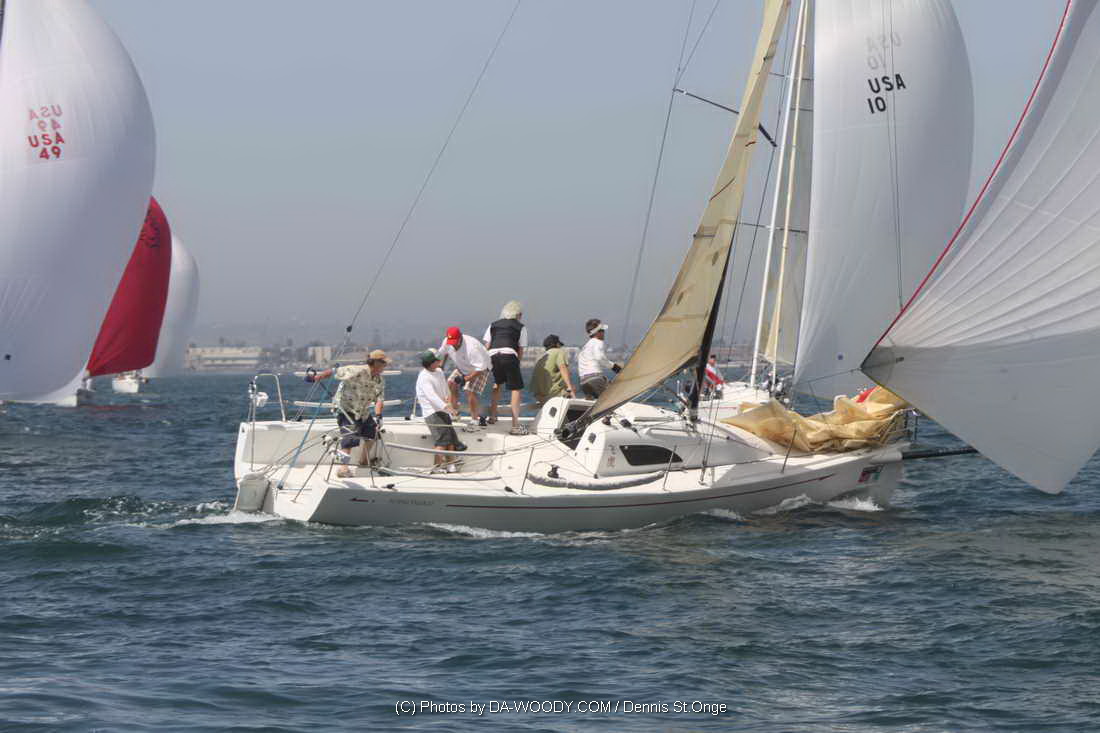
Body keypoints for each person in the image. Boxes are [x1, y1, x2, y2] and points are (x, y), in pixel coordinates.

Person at [307, 349, 389, 478]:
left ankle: (364, 461)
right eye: (384, 363)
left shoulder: (380, 380)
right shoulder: (356, 370)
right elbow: (335, 371)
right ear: (376, 363)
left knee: (373, 433)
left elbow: (379, 400)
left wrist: (379, 416)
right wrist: (318, 377)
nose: (385, 366)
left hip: (362, 411)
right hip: (345, 408)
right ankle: (343, 468)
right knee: (350, 436)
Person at [482, 300, 529, 435]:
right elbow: (520, 349)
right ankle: (515, 425)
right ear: (517, 314)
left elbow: (486, 346)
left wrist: (485, 363)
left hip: (493, 355)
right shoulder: (521, 327)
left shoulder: (493, 325)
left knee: (497, 383)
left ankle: (492, 416)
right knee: (516, 388)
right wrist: (516, 364)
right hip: (509, 354)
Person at [415, 349, 465, 472]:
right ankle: (436, 467)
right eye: (437, 360)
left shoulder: (439, 372)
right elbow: (431, 397)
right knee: (442, 440)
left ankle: (450, 464)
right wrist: (448, 408)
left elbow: (444, 389)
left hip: (443, 410)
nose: (440, 361)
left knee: (450, 438)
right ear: (431, 363)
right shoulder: (424, 377)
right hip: (432, 413)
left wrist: (448, 401)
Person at [437, 326, 491, 427]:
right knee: (450, 383)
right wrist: (441, 365)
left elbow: (481, 368)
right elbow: (443, 353)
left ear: (460, 338)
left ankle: (474, 419)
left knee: (469, 390)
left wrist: (465, 379)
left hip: (480, 369)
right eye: (451, 342)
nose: (453, 345)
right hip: (462, 367)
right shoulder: (447, 342)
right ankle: (454, 414)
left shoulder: (472, 347)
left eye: (455, 342)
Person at [577, 319, 621, 399]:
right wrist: (615, 367)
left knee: (596, 403)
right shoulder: (598, 342)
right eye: (602, 330)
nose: (604, 333)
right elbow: (599, 357)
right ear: (597, 332)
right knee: (614, 399)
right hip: (595, 380)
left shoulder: (586, 346)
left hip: (583, 382)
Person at [530, 334, 575, 405]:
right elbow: (562, 368)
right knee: (572, 387)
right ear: (557, 344)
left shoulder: (542, 357)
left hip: (540, 397)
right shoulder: (559, 351)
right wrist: (570, 388)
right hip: (554, 395)